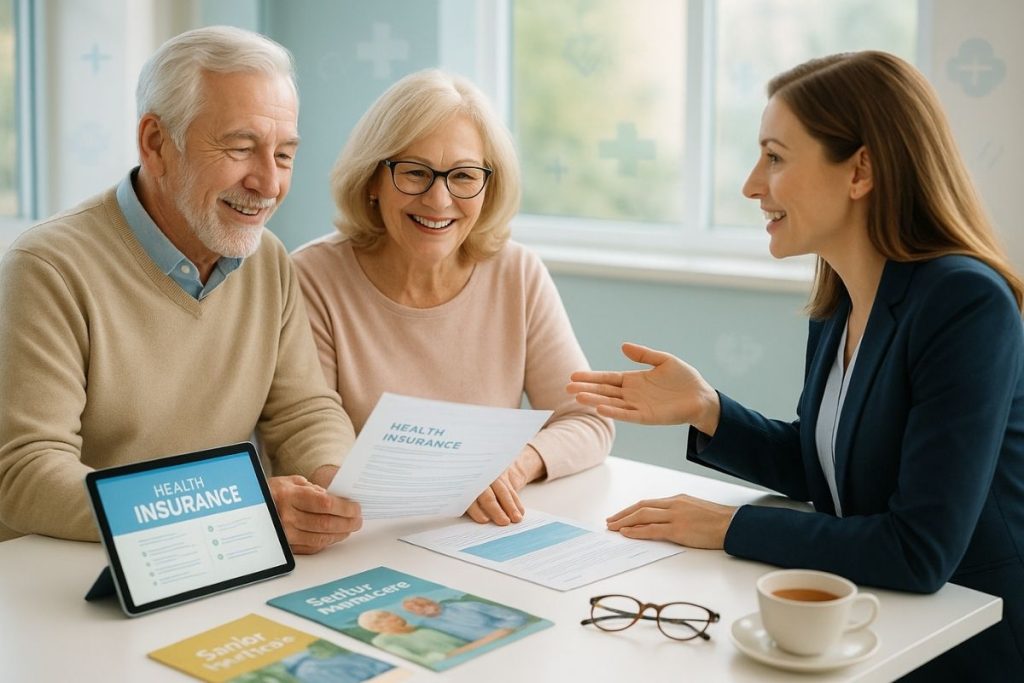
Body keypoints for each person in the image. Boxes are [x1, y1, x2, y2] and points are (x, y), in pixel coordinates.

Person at [567, 51, 1024, 679]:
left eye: (775, 157)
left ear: (860, 170)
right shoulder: (841, 301)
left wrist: (729, 525)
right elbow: (828, 471)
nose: (752, 185)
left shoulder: (965, 303)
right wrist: (708, 409)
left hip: (965, 644)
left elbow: (918, 550)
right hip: (870, 622)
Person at [0, 26, 361, 554]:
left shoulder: (268, 260)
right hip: (71, 571)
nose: (268, 183)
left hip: (215, 558)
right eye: (241, 148)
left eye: (284, 155)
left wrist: (335, 485)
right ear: (156, 143)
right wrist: (233, 506)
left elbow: (303, 412)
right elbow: (26, 474)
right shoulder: (47, 268)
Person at [292, 69, 613, 526]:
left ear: (489, 186)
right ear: (371, 180)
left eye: (463, 176)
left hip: (480, 533)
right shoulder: (312, 279)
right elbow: (312, 437)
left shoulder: (517, 273)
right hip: (364, 534)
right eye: (415, 172)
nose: (439, 200)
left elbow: (589, 420)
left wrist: (514, 466)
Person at [356, 609, 471, 667]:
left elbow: (463, 645)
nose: (393, 616)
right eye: (384, 618)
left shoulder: (423, 629)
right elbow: (420, 662)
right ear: (376, 628)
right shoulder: (382, 641)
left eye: (388, 613)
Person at [402, 595, 527, 642]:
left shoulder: (467, 606)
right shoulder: (428, 626)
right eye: (415, 611)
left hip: (514, 636)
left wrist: (506, 631)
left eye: (423, 606)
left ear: (431, 602)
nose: (421, 611)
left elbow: (515, 617)